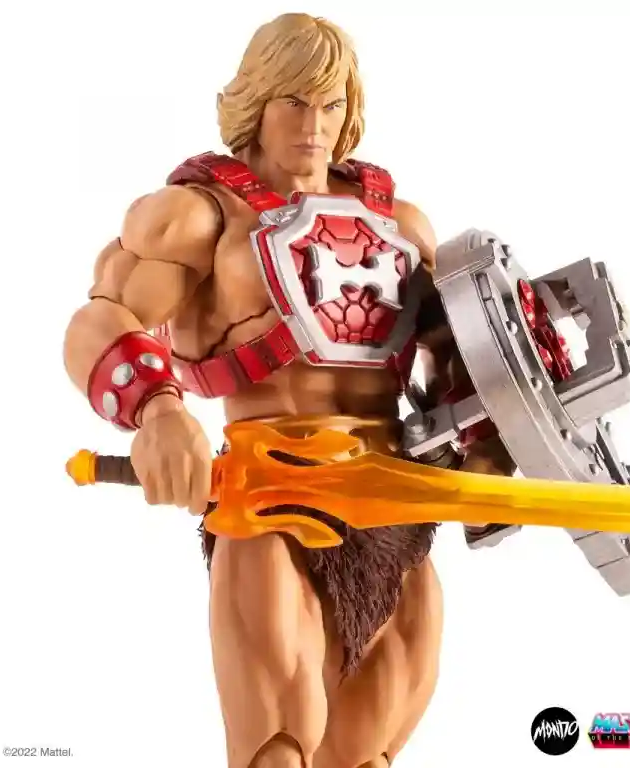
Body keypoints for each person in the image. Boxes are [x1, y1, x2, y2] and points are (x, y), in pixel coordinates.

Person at [63, 13, 513, 768]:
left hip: (395, 507)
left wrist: (490, 452)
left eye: (331, 105)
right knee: (277, 749)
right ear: (256, 101)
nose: (314, 125)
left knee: (366, 755)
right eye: (294, 103)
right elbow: (98, 320)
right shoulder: (197, 216)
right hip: (273, 498)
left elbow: (463, 362)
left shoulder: (399, 224)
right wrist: (160, 411)